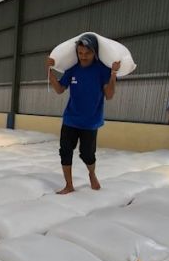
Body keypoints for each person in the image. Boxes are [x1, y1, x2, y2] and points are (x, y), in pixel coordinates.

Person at [45, 33, 121, 194]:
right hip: (70, 118)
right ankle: (69, 185)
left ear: (94, 53)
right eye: (80, 53)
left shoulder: (102, 70)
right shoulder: (72, 69)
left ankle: (92, 174)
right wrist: (50, 72)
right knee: (65, 150)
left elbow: (109, 95)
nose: (83, 57)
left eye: (87, 53)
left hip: (91, 121)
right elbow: (59, 90)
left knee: (86, 154)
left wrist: (113, 75)